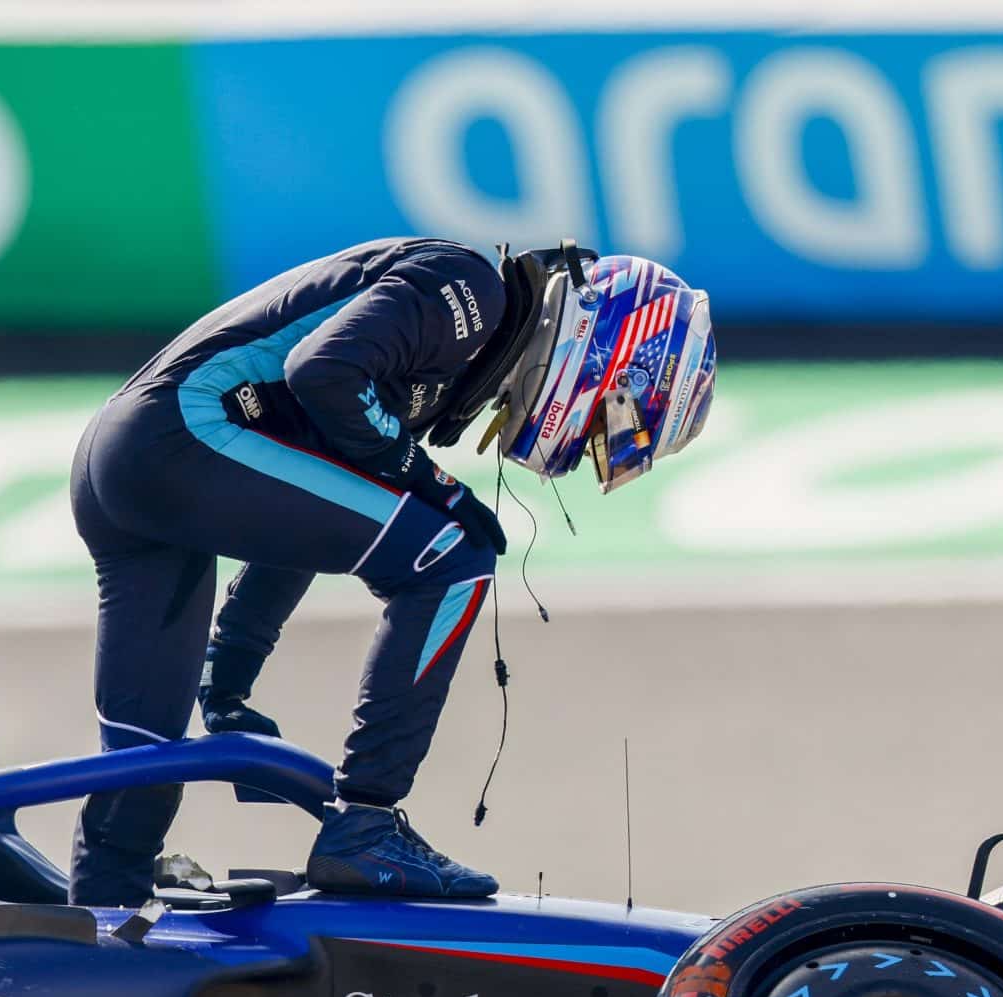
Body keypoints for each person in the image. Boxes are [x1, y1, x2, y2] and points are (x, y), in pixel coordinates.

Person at [68, 237, 716, 907]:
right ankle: (367, 823)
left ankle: (97, 915)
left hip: (130, 455)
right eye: (615, 419)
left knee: (140, 760)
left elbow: (304, 492)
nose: (590, 448)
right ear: (608, 347)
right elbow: (321, 369)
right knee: (453, 555)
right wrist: (431, 482)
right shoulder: (473, 291)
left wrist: (227, 677)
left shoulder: (464, 343)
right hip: (179, 438)